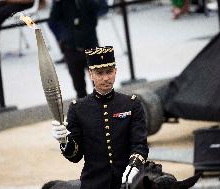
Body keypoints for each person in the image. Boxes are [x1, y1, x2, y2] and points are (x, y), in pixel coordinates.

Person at [51, 46, 149, 189]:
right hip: (94, 183)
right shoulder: (78, 108)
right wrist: (64, 141)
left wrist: (133, 166)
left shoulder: (131, 104)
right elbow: (75, 156)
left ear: (115, 71)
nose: (105, 78)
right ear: (91, 74)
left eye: (109, 72)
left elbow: (140, 144)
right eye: (99, 73)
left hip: (128, 182)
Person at [49, 0, 100, 98]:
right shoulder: (60, 3)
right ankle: (84, 109)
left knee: (99, 84)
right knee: (79, 87)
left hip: (90, 44)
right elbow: (53, 21)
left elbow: (99, 8)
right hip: (71, 47)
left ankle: (102, 109)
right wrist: (63, 38)